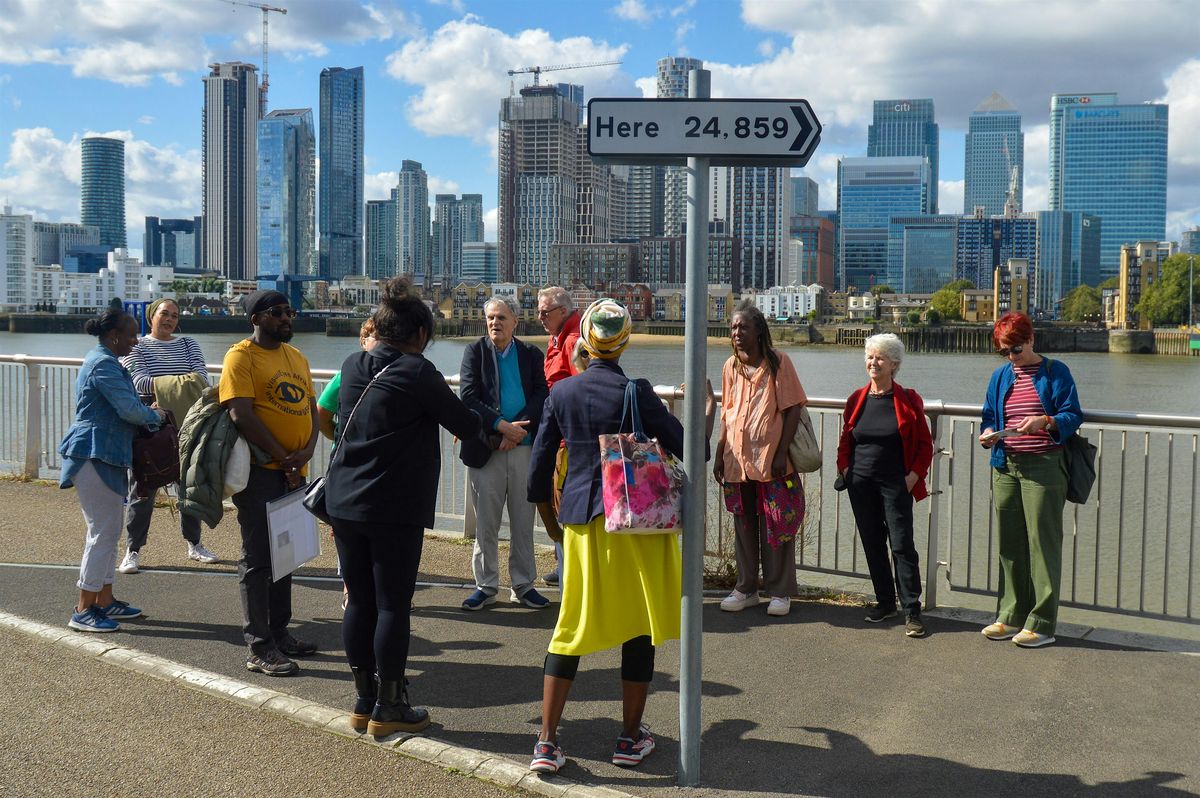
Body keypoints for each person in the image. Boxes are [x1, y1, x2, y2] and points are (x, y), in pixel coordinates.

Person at [526, 298, 710, 774]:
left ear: (585, 340)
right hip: (636, 524)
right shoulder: (637, 391)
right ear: (624, 341)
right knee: (638, 628)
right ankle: (629, 739)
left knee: (570, 627)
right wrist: (705, 411)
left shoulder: (561, 394)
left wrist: (557, 524)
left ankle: (547, 742)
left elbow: (535, 479)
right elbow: (693, 448)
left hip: (584, 524)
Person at [325, 278, 481, 737]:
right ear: (418, 336)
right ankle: (389, 706)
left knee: (360, 600)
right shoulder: (418, 371)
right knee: (393, 604)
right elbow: (465, 423)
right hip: (393, 505)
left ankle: (362, 700)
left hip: (344, 501)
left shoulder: (354, 364)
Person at [219, 290, 319, 676]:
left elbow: (310, 408)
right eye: (277, 313)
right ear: (256, 318)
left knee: (286, 555)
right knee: (258, 559)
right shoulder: (240, 356)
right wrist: (282, 456)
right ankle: (259, 647)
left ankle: (280, 632)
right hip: (261, 472)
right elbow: (241, 413)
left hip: (296, 471)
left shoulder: (297, 357)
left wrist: (307, 452)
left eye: (289, 311)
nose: (286, 318)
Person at [58, 309, 165, 632]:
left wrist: (147, 413)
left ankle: (104, 600)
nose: (135, 341)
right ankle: (83, 608)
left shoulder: (107, 361)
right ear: (114, 335)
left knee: (109, 531)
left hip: (106, 454)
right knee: (101, 533)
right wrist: (157, 415)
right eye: (132, 335)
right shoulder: (103, 363)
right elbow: (129, 409)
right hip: (93, 452)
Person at [979, 313, 1082, 648]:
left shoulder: (1055, 372)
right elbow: (989, 416)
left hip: (1044, 466)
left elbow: (1072, 414)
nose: (1012, 356)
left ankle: (1042, 623)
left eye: (1016, 348)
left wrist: (1046, 420)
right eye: (1005, 351)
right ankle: (1009, 616)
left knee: (1043, 544)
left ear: (1032, 339)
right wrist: (987, 433)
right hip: (1005, 464)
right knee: (1010, 544)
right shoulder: (999, 377)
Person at [836, 333, 934, 638]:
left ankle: (912, 610)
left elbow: (924, 444)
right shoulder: (857, 399)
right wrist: (846, 470)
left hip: (896, 483)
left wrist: (914, 476)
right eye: (869, 356)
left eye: (879, 357)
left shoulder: (908, 399)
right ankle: (884, 602)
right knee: (873, 542)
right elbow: (846, 441)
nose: (872, 362)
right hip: (860, 482)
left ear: (894, 364)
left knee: (902, 545)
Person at [714, 301, 808, 618]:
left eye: (744, 327)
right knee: (744, 524)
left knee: (776, 524)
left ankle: (779, 591)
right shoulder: (730, 367)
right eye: (733, 327)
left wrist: (781, 453)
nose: (737, 333)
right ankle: (746, 587)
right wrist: (719, 451)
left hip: (772, 460)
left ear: (758, 331)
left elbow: (793, 408)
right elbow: (727, 413)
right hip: (736, 460)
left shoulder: (779, 362)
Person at [458, 297, 550, 611]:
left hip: (524, 449)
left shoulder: (530, 354)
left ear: (515, 321)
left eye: (501, 318)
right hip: (486, 450)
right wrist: (501, 427)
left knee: (524, 522)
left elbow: (543, 393)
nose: (495, 323)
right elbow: (468, 396)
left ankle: (523, 585)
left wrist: (517, 429)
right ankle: (485, 586)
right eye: (490, 318)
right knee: (486, 523)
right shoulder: (475, 352)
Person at [117, 297, 217, 574]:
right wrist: (183, 382)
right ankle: (132, 550)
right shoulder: (136, 346)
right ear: (151, 316)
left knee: (189, 486)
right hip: (150, 428)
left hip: (188, 426)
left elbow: (202, 379)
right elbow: (139, 382)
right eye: (164, 313)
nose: (170, 319)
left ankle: (194, 544)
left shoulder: (188, 344)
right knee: (142, 488)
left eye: (175, 315)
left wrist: (165, 388)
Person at [318, 316, 379, 611]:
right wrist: (339, 437)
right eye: (372, 337)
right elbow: (322, 412)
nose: (377, 342)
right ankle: (349, 588)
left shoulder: (397, 372)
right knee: (346, 529)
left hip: (381, 464)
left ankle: (385, 590)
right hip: (345, 460)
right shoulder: (348, 372)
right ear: (363, 342)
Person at [536, 285, 581, 587]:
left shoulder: (573, 342)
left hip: (571, 442)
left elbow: (582, 389)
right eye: (538, 311)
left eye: (545, 312)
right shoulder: (557, 339)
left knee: (566, 506)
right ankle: (563, 565)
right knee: (556, 504)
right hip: (560, 437)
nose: (539, 316)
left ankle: (571, 574)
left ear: (563, 312)